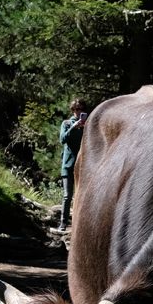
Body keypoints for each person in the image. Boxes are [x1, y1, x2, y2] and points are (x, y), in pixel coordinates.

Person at [57, 98, 88, 230]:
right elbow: (62, 139)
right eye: (75, 109)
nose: (77, 112)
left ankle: (78, 225)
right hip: (68, 165)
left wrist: (85, 128)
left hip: (82, 164)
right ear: (72, 110)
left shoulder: (86, 126)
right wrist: (73, 128)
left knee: (80, 196)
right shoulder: (67, 123)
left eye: (80, 109)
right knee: (67, 195)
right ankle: (63, 222)